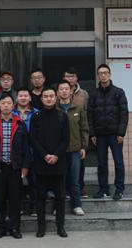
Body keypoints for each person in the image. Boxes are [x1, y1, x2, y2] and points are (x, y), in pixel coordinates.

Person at [0, 95, 30, 239]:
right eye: (3, 103)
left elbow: (25, 147)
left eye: (9, 103)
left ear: (13, 106)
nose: (6, 105)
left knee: (15, 199)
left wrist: (25, 166)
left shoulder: (20, 123)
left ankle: (14, 227)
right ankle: (0, 228)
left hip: (15, 167)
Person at [30, 88, 69, 238]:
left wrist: (56, 155)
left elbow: (66, 139)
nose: (48, 99)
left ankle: (60, 227)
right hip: (41, 162)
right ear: (41, 99)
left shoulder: (62, 116)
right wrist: (45, 155)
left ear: (56, 97)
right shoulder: (36, 117)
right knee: (40, 197)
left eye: (51, 96)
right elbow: (33, 139)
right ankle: (41, 227)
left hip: (59, 162)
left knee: (60, 197)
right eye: (45, 96)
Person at [89, 64, 129, 201]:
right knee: (101, 163)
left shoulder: (118, 92)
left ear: (110, 74)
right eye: (100, 73)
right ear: (98, 76)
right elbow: (90, 115)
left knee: (118, 162)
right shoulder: (94, 94)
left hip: (115, 134)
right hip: (100, 134)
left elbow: (124, 114)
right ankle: (103, 189)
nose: (103, 75)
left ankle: (119, 189)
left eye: (105, 72)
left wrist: (121, 133)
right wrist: (92, 134)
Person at [56, 79, 89, 216]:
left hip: (75, 149)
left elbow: (84, 129)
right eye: (61, 89)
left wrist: (83, 146)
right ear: (57, 92)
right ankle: (59, 206)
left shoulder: (78, 109)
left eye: (66, 89)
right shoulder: (54, 109)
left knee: (75, 179)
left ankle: (77, 205)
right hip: (59, 150)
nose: (64, 91)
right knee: (60, 179)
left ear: (71, 92)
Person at [63, 67, 90, 198]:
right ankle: (66, 189)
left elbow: (87, 114)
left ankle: (81, 187)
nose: (70, 79)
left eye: (72, 76)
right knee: (65, 166)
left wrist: (84, 142)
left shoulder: (84, 94)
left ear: (77, 78)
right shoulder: (60, 92)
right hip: (64, 136)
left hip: (78, 133)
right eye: (67, 76)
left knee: (80, 164)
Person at [13, 88, 39, 215]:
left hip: (33, 152)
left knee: (34, 182)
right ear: (16, 98)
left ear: (30, 98)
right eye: (21, 96)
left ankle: (34, 207)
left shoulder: (36, 113)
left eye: (25, 96)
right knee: (15, 183)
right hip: (15, 153)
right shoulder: (11, 113)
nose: (23, 98)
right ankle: (18, 207)